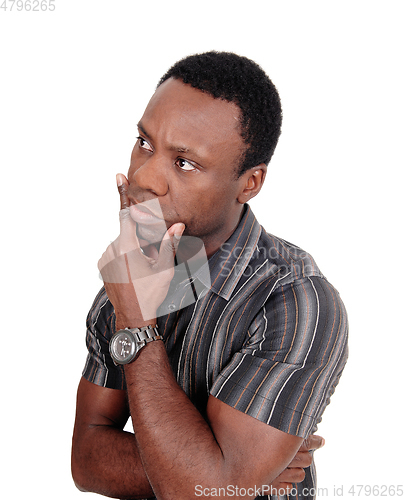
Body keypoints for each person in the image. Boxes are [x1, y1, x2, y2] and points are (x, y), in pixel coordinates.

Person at [71, 52, 348, 500]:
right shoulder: (126, 284)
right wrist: (227, 478)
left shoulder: (296, 301)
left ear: (249, 183)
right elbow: (85, 460)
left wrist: (138, 324)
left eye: (184, 163)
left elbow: (199, 495)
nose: (145, 176)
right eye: (144, 143)